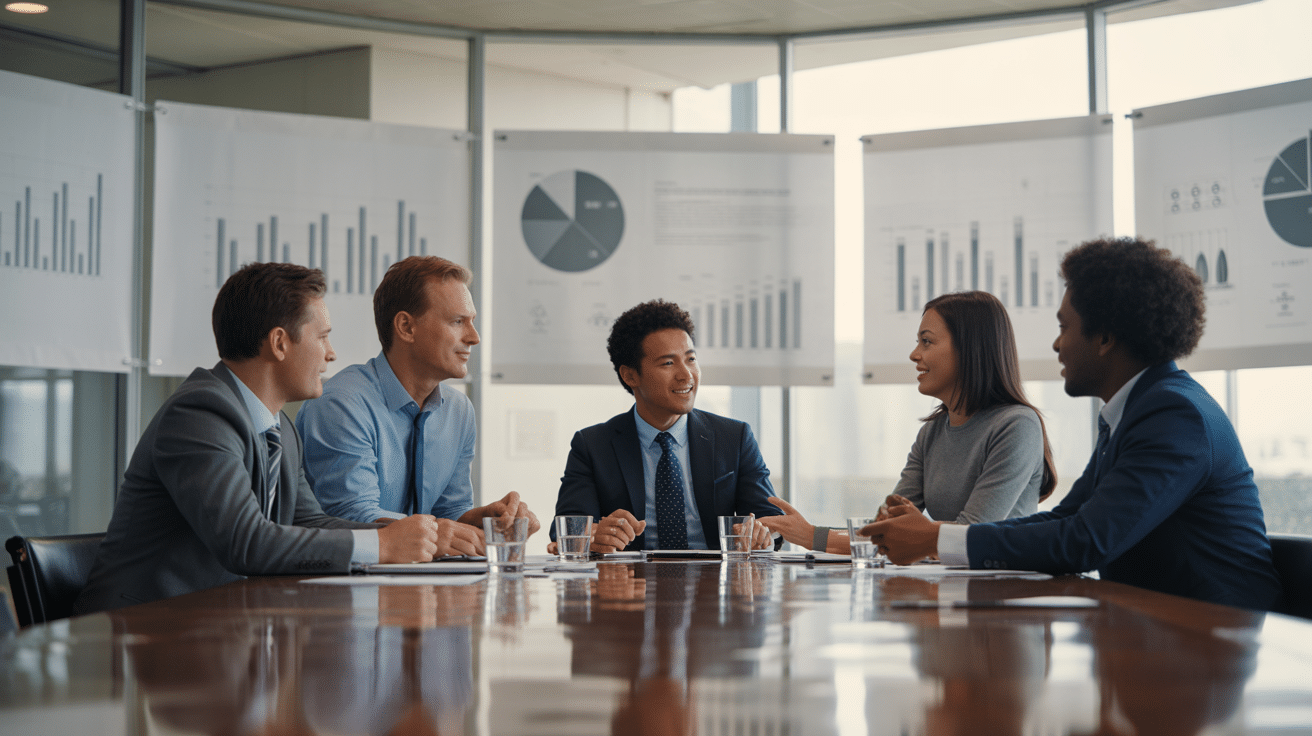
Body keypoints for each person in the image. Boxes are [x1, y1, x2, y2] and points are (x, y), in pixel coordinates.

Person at [867, 237, 1283, 610]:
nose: (1056, 343)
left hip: (1214, 643)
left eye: (1065, 327)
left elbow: (1086, 541)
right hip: (1162, 631)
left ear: (1104, 338)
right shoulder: (1137, 411)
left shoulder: (1175, 416)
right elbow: (1065, 518)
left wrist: (936, 539)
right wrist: (935, 536)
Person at [75, 263, 453, 615]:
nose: (331, 354)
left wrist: (417, 538)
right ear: (279, 343)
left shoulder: (279, 428)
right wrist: (383, 546)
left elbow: (310, 521)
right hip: (139, 631)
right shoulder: (199, 414)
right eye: (322, 337)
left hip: (214, 629)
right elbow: (245, 541)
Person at [762, 290, 1055, 553]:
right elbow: (883, 533)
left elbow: (967, 536)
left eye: (926, 342)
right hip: (947, 590)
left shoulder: (1017, 426)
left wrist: (815, 535)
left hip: (1001, 597)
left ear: (969, 349)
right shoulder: (932, 432)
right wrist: (809, 534)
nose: (915, 355)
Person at [296, 256, 538, 538]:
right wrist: (445, 530)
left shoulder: (458, 410)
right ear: (406, 327)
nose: (474, 337)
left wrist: (486, 521)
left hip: (416, 576)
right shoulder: (342, 404)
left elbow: (449, 513)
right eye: (458, 321)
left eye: (471, 322)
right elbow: (354, 517)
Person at [554, 299, 779, 552]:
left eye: (691, 359)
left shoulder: (734, 437)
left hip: (715, 582)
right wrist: (595, 534)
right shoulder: (592, 445)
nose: (686, 375)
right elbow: (566, 527)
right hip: (630, 583)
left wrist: (761, 532)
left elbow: (771, 520)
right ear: (630, 375)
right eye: (668, 363)